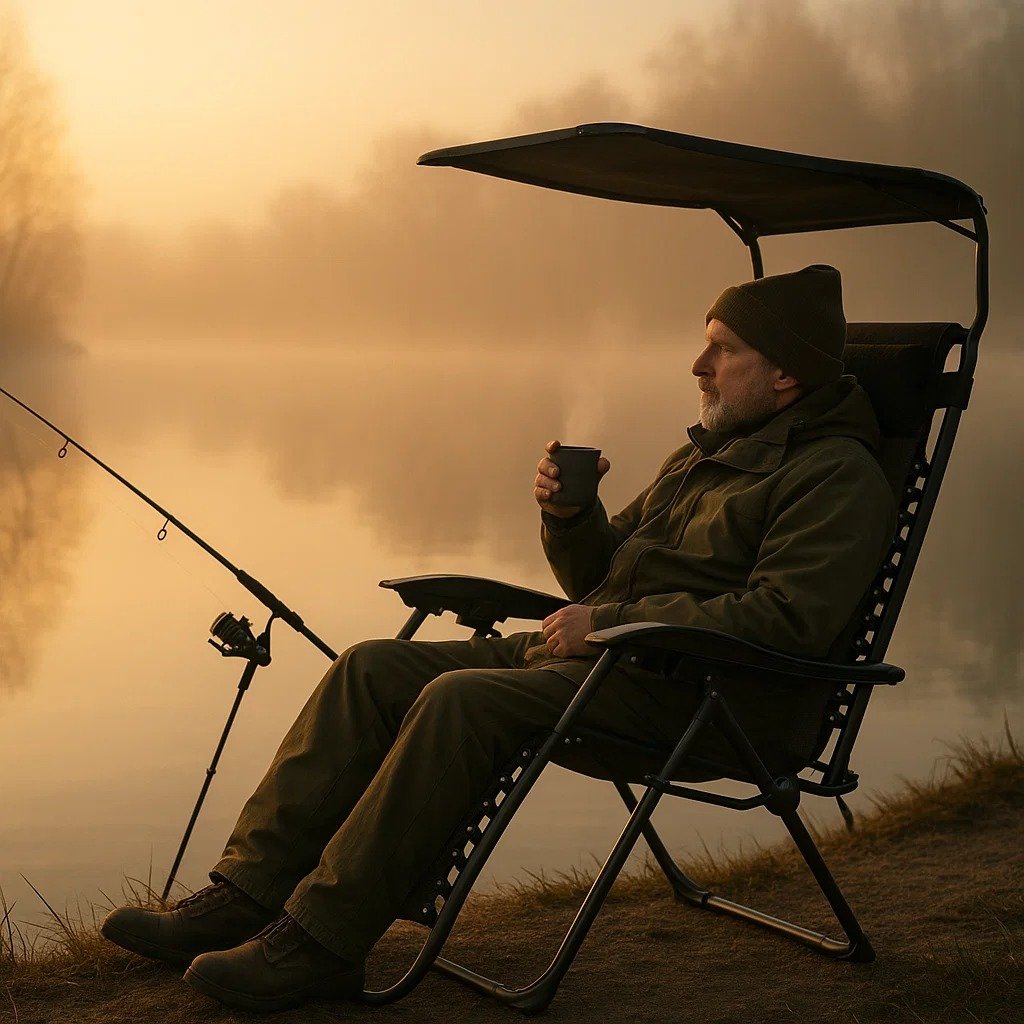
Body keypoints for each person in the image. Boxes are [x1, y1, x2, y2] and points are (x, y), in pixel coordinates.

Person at [101, 263, 896, 1013]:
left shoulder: (836, 475)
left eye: (722, 350)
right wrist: (569, 516)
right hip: (608, 666)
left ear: (785, 373)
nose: (698, 363)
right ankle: (244, 895)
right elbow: (597, 578)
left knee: (461, 702)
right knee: (369, 669)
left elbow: (788, 619)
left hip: (717, 699)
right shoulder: (705, 457)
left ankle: (321, 941)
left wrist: (613, 625)